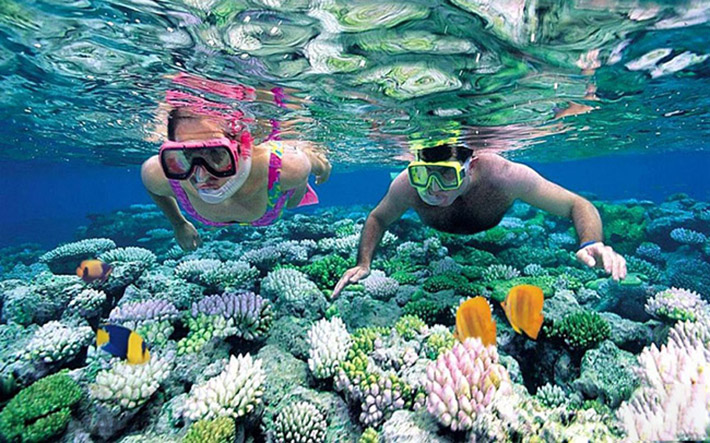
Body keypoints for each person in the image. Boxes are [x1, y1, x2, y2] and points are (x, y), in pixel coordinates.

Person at [332, 142, 627, 297]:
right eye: (423, 175)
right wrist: (363, 263)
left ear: (470, 167)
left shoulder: (504, 177)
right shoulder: (407, 186)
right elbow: (378, 217)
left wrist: (591, 241)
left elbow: (578, 204)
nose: (433, 188)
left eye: (447, 175)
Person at [141, 106, 331, 251]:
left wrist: (321, 166)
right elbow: (152, 188)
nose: (202, 175)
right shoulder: (161, 173)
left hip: (279, 188)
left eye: (216, 153)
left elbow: (317, 165)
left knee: (294, 196)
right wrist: (178, 223)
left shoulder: (287, 168)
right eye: (186, 155)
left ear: (241, 149)